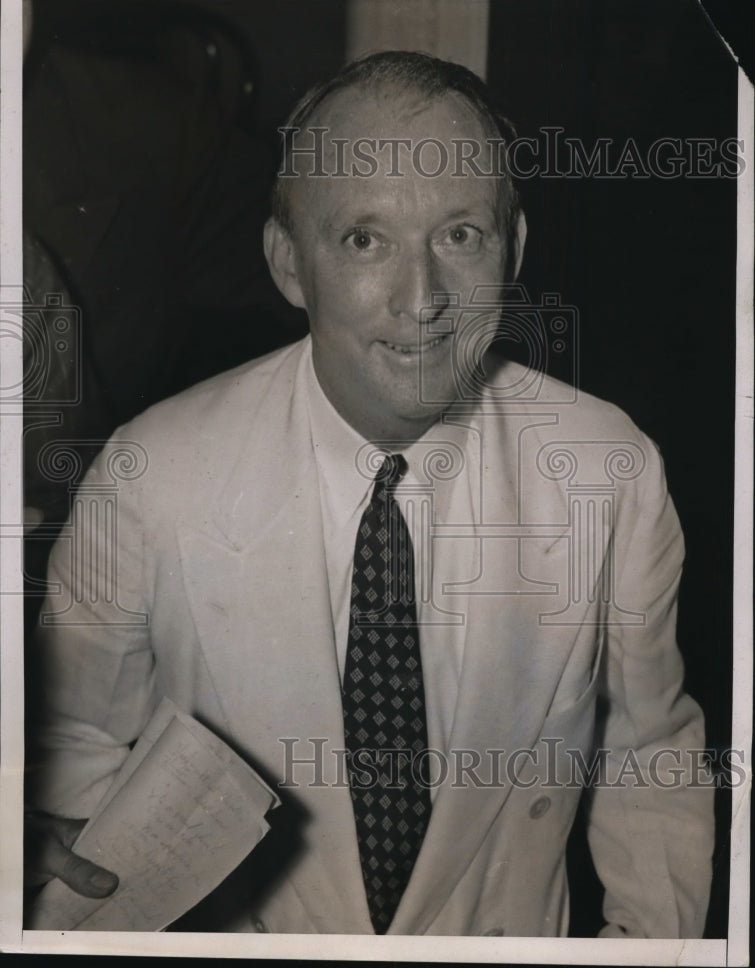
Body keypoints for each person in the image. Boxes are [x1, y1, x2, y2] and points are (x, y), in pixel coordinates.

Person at [26, 51, 714, 937]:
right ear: (287, 265)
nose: (420, 298)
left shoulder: (605, 467)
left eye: (459, 235)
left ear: (514, 249)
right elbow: (69, 752)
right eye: (364, 239)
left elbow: (648, 753)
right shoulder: (150, 473)